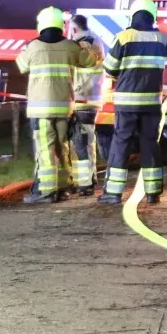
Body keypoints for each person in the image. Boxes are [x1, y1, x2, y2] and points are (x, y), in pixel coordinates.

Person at [15, 6, 101, 204]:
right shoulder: (70, 46)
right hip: (64, 108)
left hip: (40, 109)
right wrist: (86, 47)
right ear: (61, 25)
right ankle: (63, 188)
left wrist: (26, 47)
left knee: (45, 150)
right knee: (63, 148)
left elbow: (21, 65)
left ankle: (45, 192)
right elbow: (90, 62)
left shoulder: (34, 47)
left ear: (41, 24)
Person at [96, 0, 167, 206]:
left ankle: (113, 193)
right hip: (151, 103)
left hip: (127, 103)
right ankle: (153, 193)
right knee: (150, 143)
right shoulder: (163, 39)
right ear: (152, 17)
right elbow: (164, 60)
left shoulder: (123, 37)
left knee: (121, 143)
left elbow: (110, 68)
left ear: (133, 15)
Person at [66, 13, 106, 196]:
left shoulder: (84, 43)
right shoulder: (93, 39)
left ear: (74, 29)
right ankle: (86, 180)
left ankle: (86, 183)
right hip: (89, 98)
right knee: (84, 141)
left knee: (81, 142)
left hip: (83, 98)